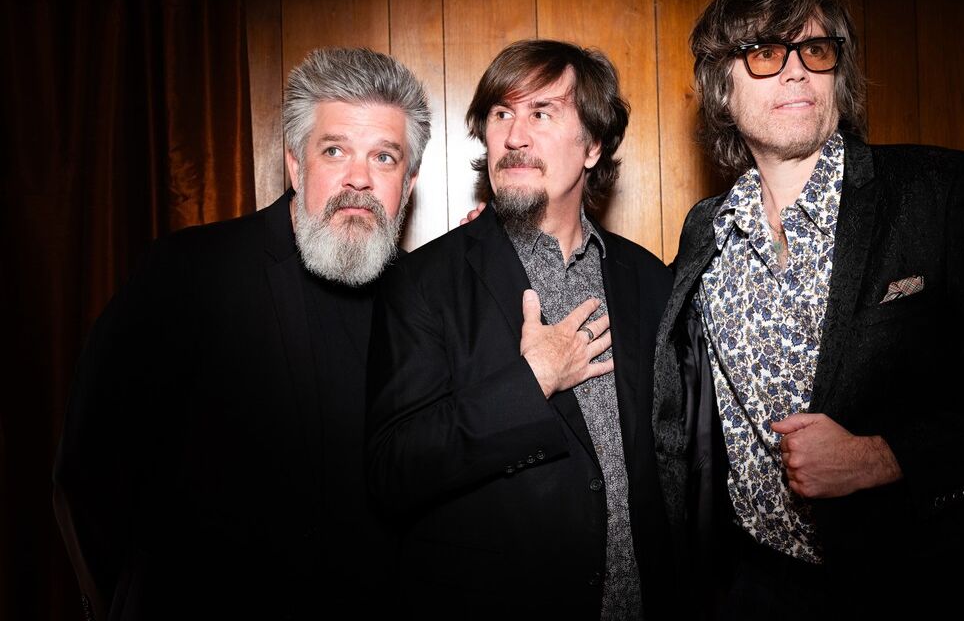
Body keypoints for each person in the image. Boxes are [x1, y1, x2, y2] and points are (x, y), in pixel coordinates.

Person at [651, 0, 964, 620]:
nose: (797, 71)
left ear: (837, 74)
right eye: (765, 52)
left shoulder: (939, 192)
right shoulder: (707, 230)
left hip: (920, 585)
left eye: (815, 50)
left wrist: (879, 458)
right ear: (722, 88)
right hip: (759, 588)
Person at [53, 47, 430, 620]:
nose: (359, 178)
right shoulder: (187, 272)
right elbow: (89, 469)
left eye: (384, 156)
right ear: (296, 165)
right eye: (334, 150)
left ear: (408, 181)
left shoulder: (424, 302)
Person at [366, 39, 673, 619]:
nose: (514, 137)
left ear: (593, 146)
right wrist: (531, 380)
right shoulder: (425, 281)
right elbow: (393, 471)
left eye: (542, 113)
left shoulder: (650, 280)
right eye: (501, 114)